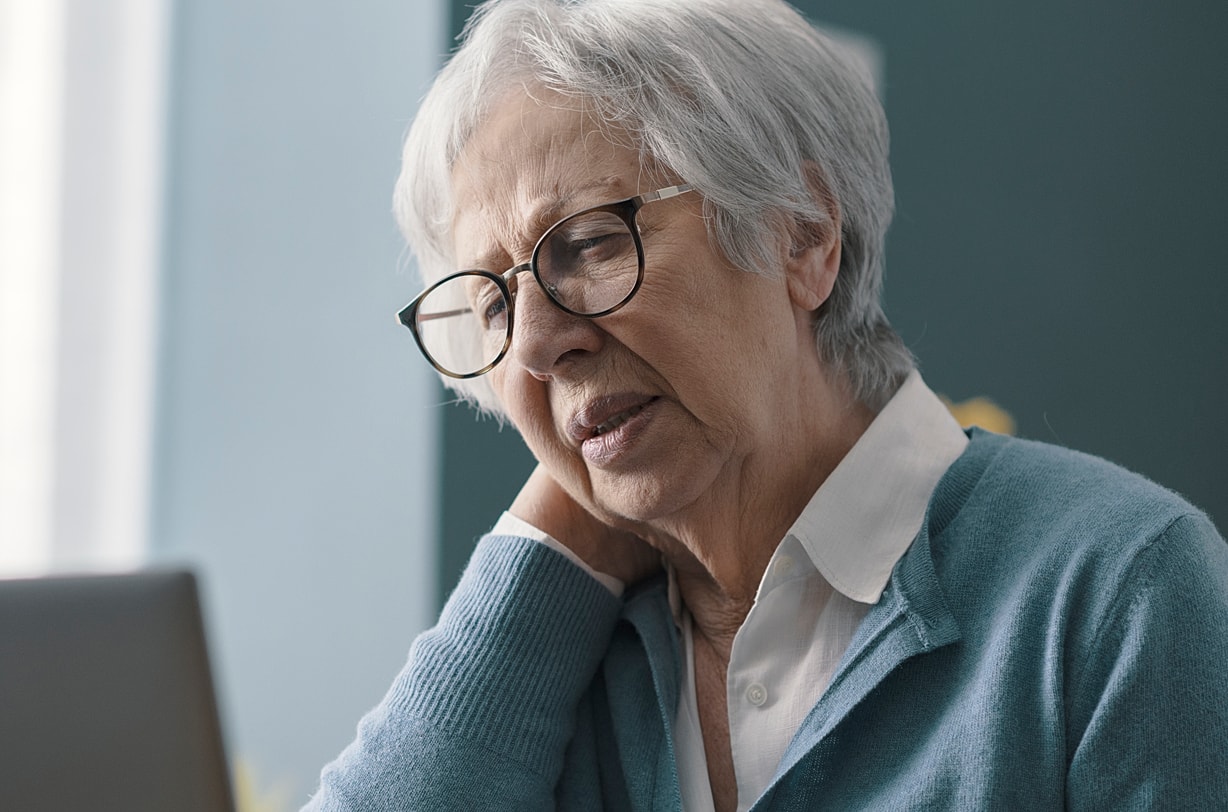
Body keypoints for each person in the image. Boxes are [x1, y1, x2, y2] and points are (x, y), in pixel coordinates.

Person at [308, 0, 1228, 809]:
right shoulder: (546, 674)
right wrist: (551, 544)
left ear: (803, 231)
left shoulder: (1118, 593)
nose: (539, 344)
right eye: (496, 304)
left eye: (587, 244)